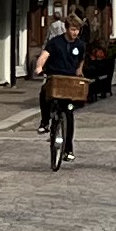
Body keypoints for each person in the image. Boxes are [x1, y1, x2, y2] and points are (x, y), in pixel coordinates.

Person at [37, 18, 88, 165]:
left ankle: (68, 150)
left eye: (77, 30)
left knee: (69, 114)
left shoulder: (80, 45)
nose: (75, 33)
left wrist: (79, 71)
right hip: (55, 76)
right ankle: (44, 122)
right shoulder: (55, 42)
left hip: (70, 80)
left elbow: (81, 61)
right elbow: (44, 56)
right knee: (44, 93)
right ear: (66, 29)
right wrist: (39, 67)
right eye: (72, 29)